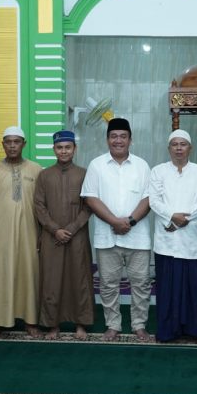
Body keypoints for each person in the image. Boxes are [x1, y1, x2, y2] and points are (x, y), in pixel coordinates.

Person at [80, 118, 152, 342]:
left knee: (141, 283)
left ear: (130, 140)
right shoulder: (96, 165)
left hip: (138, 237)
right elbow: (91, 198)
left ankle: (139, 325)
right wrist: (114, 221)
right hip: (106, 237)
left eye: (123, 136)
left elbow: (148, 199)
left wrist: (129, 222)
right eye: (114, 136)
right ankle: (113, 325)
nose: (118, 140)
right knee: (108, 284)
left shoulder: (142, 165)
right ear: (107, 139)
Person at [0, 126, 42, 340]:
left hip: (29, 234)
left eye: (17, 141)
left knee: (29, 275)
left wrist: (42, 235)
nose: (12, 145)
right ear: (2, 144)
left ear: (24, 144)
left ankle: (31, 322)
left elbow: (42, 207)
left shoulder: (36, 170)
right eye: (8, 141)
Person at [149, 130, 197, 343]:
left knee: (191, 289)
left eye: (182, 144)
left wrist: (183, 220)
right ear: (169, 148)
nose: (178, 148)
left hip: (191, 239)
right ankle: (167, 331)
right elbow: (154, 201)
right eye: (174, 144)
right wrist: (172, 218)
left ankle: (194, 331)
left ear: (190, 148)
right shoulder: (158, 171)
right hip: (166, 240)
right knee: (167, 289)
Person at [34, 130, 94, 340]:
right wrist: (54, 229)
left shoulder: (85, 174)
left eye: (68, 147)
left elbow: (89, 206)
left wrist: (72, 228)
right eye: (59, 147)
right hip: (52, 237)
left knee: (79, 279)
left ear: (74, 149)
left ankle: (81, 324)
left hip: (77, 236)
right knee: (51, 280)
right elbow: (39, 206)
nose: (64, 151)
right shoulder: (44, 175)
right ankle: (52, 325)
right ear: (54, 149)